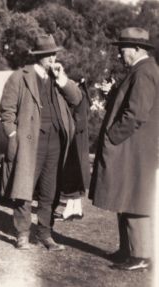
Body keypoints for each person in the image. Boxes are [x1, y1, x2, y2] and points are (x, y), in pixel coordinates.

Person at [0, 34, 82, 251]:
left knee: (50, 190)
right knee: (23, 189)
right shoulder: (20, 77)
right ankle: (22, 234)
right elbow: (6, 111)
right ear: (39, 57)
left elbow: (77, 99)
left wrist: (63, 78)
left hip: (56, 142)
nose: (53, 59)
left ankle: (45, 233)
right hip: (29, 142)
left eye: (54, 54)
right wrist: (12, 136)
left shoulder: (58, 77)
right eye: (49, 55)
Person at [90, 27, 159, 271]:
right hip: (134, 147)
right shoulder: (142, 70)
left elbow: (136, 114)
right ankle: (129, 250)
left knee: (134, 199)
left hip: (135, 148)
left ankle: (140, 255)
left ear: (138, 49)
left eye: (123, 48)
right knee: (127, 197)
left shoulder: (144, 72)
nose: (120, 53)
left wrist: (112, 135)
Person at [54, 78, 91, 221]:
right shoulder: (82, 94)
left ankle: (70, 211)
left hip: (75, 140)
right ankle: (77, 209)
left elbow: (79, 122)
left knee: (73, 175)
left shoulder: (79, 96)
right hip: (78, 140)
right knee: (77, 176)